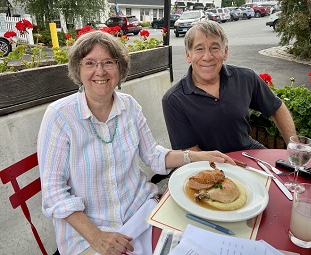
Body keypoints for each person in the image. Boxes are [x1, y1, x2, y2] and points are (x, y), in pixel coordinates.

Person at [37, 30, 234, 255]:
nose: (100, 71)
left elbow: (153, 155)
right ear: (78, 70)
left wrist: (197, 156)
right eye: (90, 63)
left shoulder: (129, 106)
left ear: (120, 69)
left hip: (141, 211)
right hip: (91, 235)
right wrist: (98, 238)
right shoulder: (59, 116)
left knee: (205, 241)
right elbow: (54, 194)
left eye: (109, 62)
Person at [162, 20, 296, 153]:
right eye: (199, 49)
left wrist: (294, 148)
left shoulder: (246, 78)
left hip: (248, 153)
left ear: (225, 52)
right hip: (209, 166)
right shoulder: (174, 99)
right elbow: (191, 152)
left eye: (214, 48)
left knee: (281, 174)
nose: (207, 57)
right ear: (188, 55)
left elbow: (277, 108)